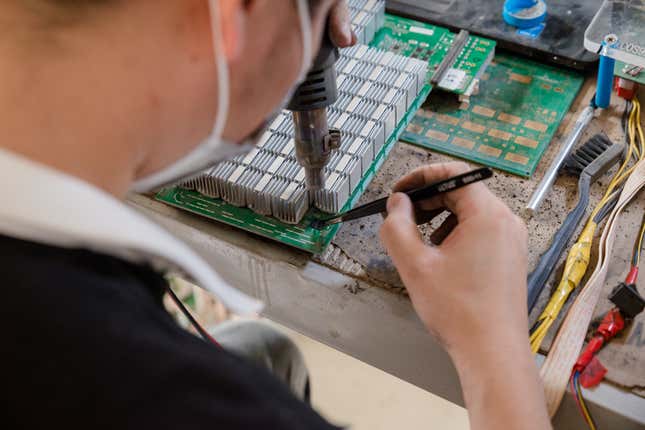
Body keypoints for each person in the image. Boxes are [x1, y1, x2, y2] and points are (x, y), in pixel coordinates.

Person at [0, 1, 551, 429]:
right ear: (237, 12)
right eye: (320, 21)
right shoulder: (177, 404)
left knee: (270, 352)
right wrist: (494, 345)